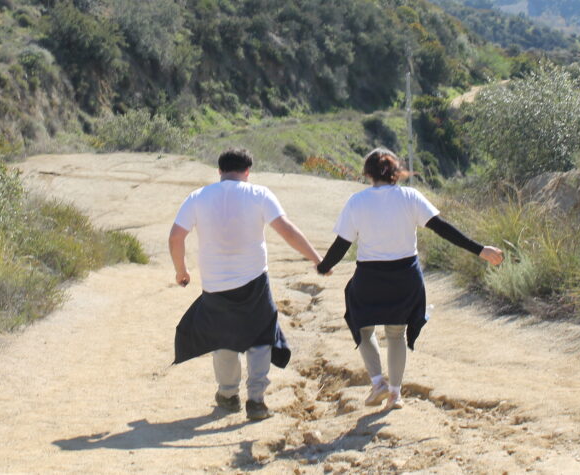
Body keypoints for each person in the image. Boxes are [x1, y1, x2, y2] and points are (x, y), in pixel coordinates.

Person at [317, 148, 504, 409]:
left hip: (370, 277)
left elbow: (342, 244)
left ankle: (377, 382)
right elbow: (443, 228)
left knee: (362, 326)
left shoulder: (357, 202)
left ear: (368, 174)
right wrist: (480, 249)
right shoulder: (410, 197)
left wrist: (324, 266)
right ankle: (395, 394)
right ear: (396, 172)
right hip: (405, 276)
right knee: (396, 334)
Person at [168, 148, 325, 421]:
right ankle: (256, 400)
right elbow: (286, 228)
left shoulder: (198, 197)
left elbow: (175, 237)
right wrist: (316, 259)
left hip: (215, 283)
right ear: (248, 172)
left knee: (224, 338)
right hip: (254, 281)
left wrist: (181, 271)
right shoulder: (259, 194)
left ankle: (228, 395)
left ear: (219, 171)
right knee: (261, 336)